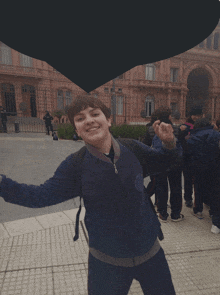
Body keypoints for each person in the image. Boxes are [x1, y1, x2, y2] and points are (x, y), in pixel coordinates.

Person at [0, 94, 183, 295]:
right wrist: (3, 183)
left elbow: (165, 162)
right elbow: (40, 196)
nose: (89, 120)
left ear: (109, 120)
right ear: (76, 129)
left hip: (151, 255)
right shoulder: (76, 165)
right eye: (80, 118)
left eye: (95, 114)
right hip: (106, 263)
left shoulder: (132, 149)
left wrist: (169, 143)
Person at [186, 118, 220, 231]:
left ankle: (198, 210)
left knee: (198, 188)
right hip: (215, 166)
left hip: (198, 166)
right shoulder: (216, 134)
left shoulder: (193, 137)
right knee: (214, 189)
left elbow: (188, 153)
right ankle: (213, 212)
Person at [151, 106, 184, 222]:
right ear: (169, 116)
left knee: (161, 187)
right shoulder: (176, 129)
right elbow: (182, 145)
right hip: (175, 163)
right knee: (176, 187)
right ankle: (175, 214)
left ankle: (162, 214)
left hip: (159, 163)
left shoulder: (152, 129)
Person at [178, 107, 203, 208]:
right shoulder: (184, 126)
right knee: (188, 179)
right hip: (187, 156)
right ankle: (188, 198)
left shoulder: (201, 126)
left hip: (198, 156)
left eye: (198, 115)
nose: (196, 117)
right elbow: (180, 140)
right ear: (191, 116)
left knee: (198, 180)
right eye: (194, 115)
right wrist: (182, 132)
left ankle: (199, 200)